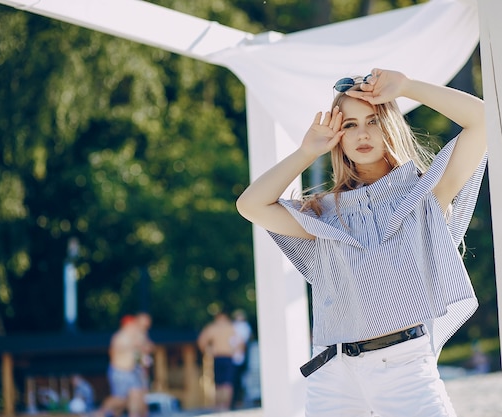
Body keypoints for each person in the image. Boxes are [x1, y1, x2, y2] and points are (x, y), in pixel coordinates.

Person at [236, 68, 487, 416]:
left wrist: (408, 87)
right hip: (333, 371)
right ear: (338, 135)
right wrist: (307, 152)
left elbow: (483, 120)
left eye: (373, 120)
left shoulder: (423, 193)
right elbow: (250, 205)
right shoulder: (323, 214)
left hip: (403, 366)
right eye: (349, 124)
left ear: (391, 126)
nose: (362, 133)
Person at [95, 315, 147, 417]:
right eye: (133, 325)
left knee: (136, 395)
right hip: (119, 372)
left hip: (131, 372)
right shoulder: (119, 337)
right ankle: (100, 413)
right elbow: (113, 352)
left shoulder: (134, 336)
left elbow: (146, 346)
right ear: (127, 325)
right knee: (120, 400)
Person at [197, 311, 243, 412]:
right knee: (228, 383)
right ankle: (226, 406)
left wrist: (207, 351)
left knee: (219, 383)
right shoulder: (231, 327)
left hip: (217, 357)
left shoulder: (213, 327)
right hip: (228, 357)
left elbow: (201, 341)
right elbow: (240, 343)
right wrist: (237, 353)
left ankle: (219, 406)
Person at [230, 309, 252, 409]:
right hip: (235, 356)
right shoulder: (240, 326)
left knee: (238, 379)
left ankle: (237, 401)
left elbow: (242, 343)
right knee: (236, 380)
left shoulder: (243, 327)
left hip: (238, 356)